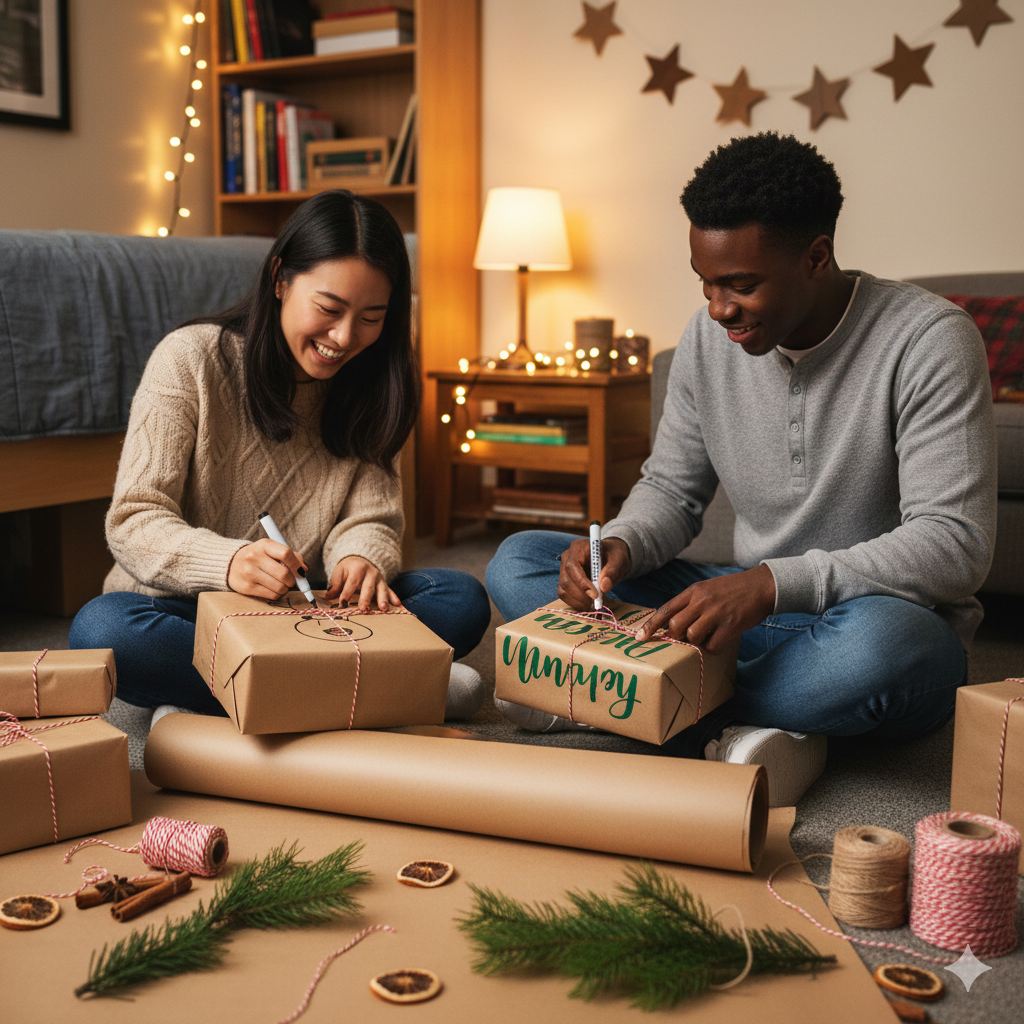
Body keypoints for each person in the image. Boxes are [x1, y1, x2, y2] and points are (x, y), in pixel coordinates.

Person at [485, 133, 997, 805]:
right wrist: (622, 545)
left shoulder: (930, 340)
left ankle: (612, 692)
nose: (718, 308)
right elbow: (671, 489)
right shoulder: (707, 339)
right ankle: (751, 718)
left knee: (885, 654)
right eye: (705, 282)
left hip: (865, 619)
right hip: (737, 610)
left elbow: (955, 545)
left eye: (741, 285)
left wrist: (769, 584)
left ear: (816, 257)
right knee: (519, 560)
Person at [72, 190, 490, 724]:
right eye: (329, 309)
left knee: (459, 597)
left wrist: (359, 559)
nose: (344, 337)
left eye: (371, 317)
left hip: (313, 612)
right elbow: (134, 520)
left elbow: (372, 518)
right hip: (189, 607)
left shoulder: (374, 385)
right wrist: (227, 563)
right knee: (102, 630)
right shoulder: (189, 359)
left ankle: (232, 696)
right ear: (279, 279)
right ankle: (386, 685)